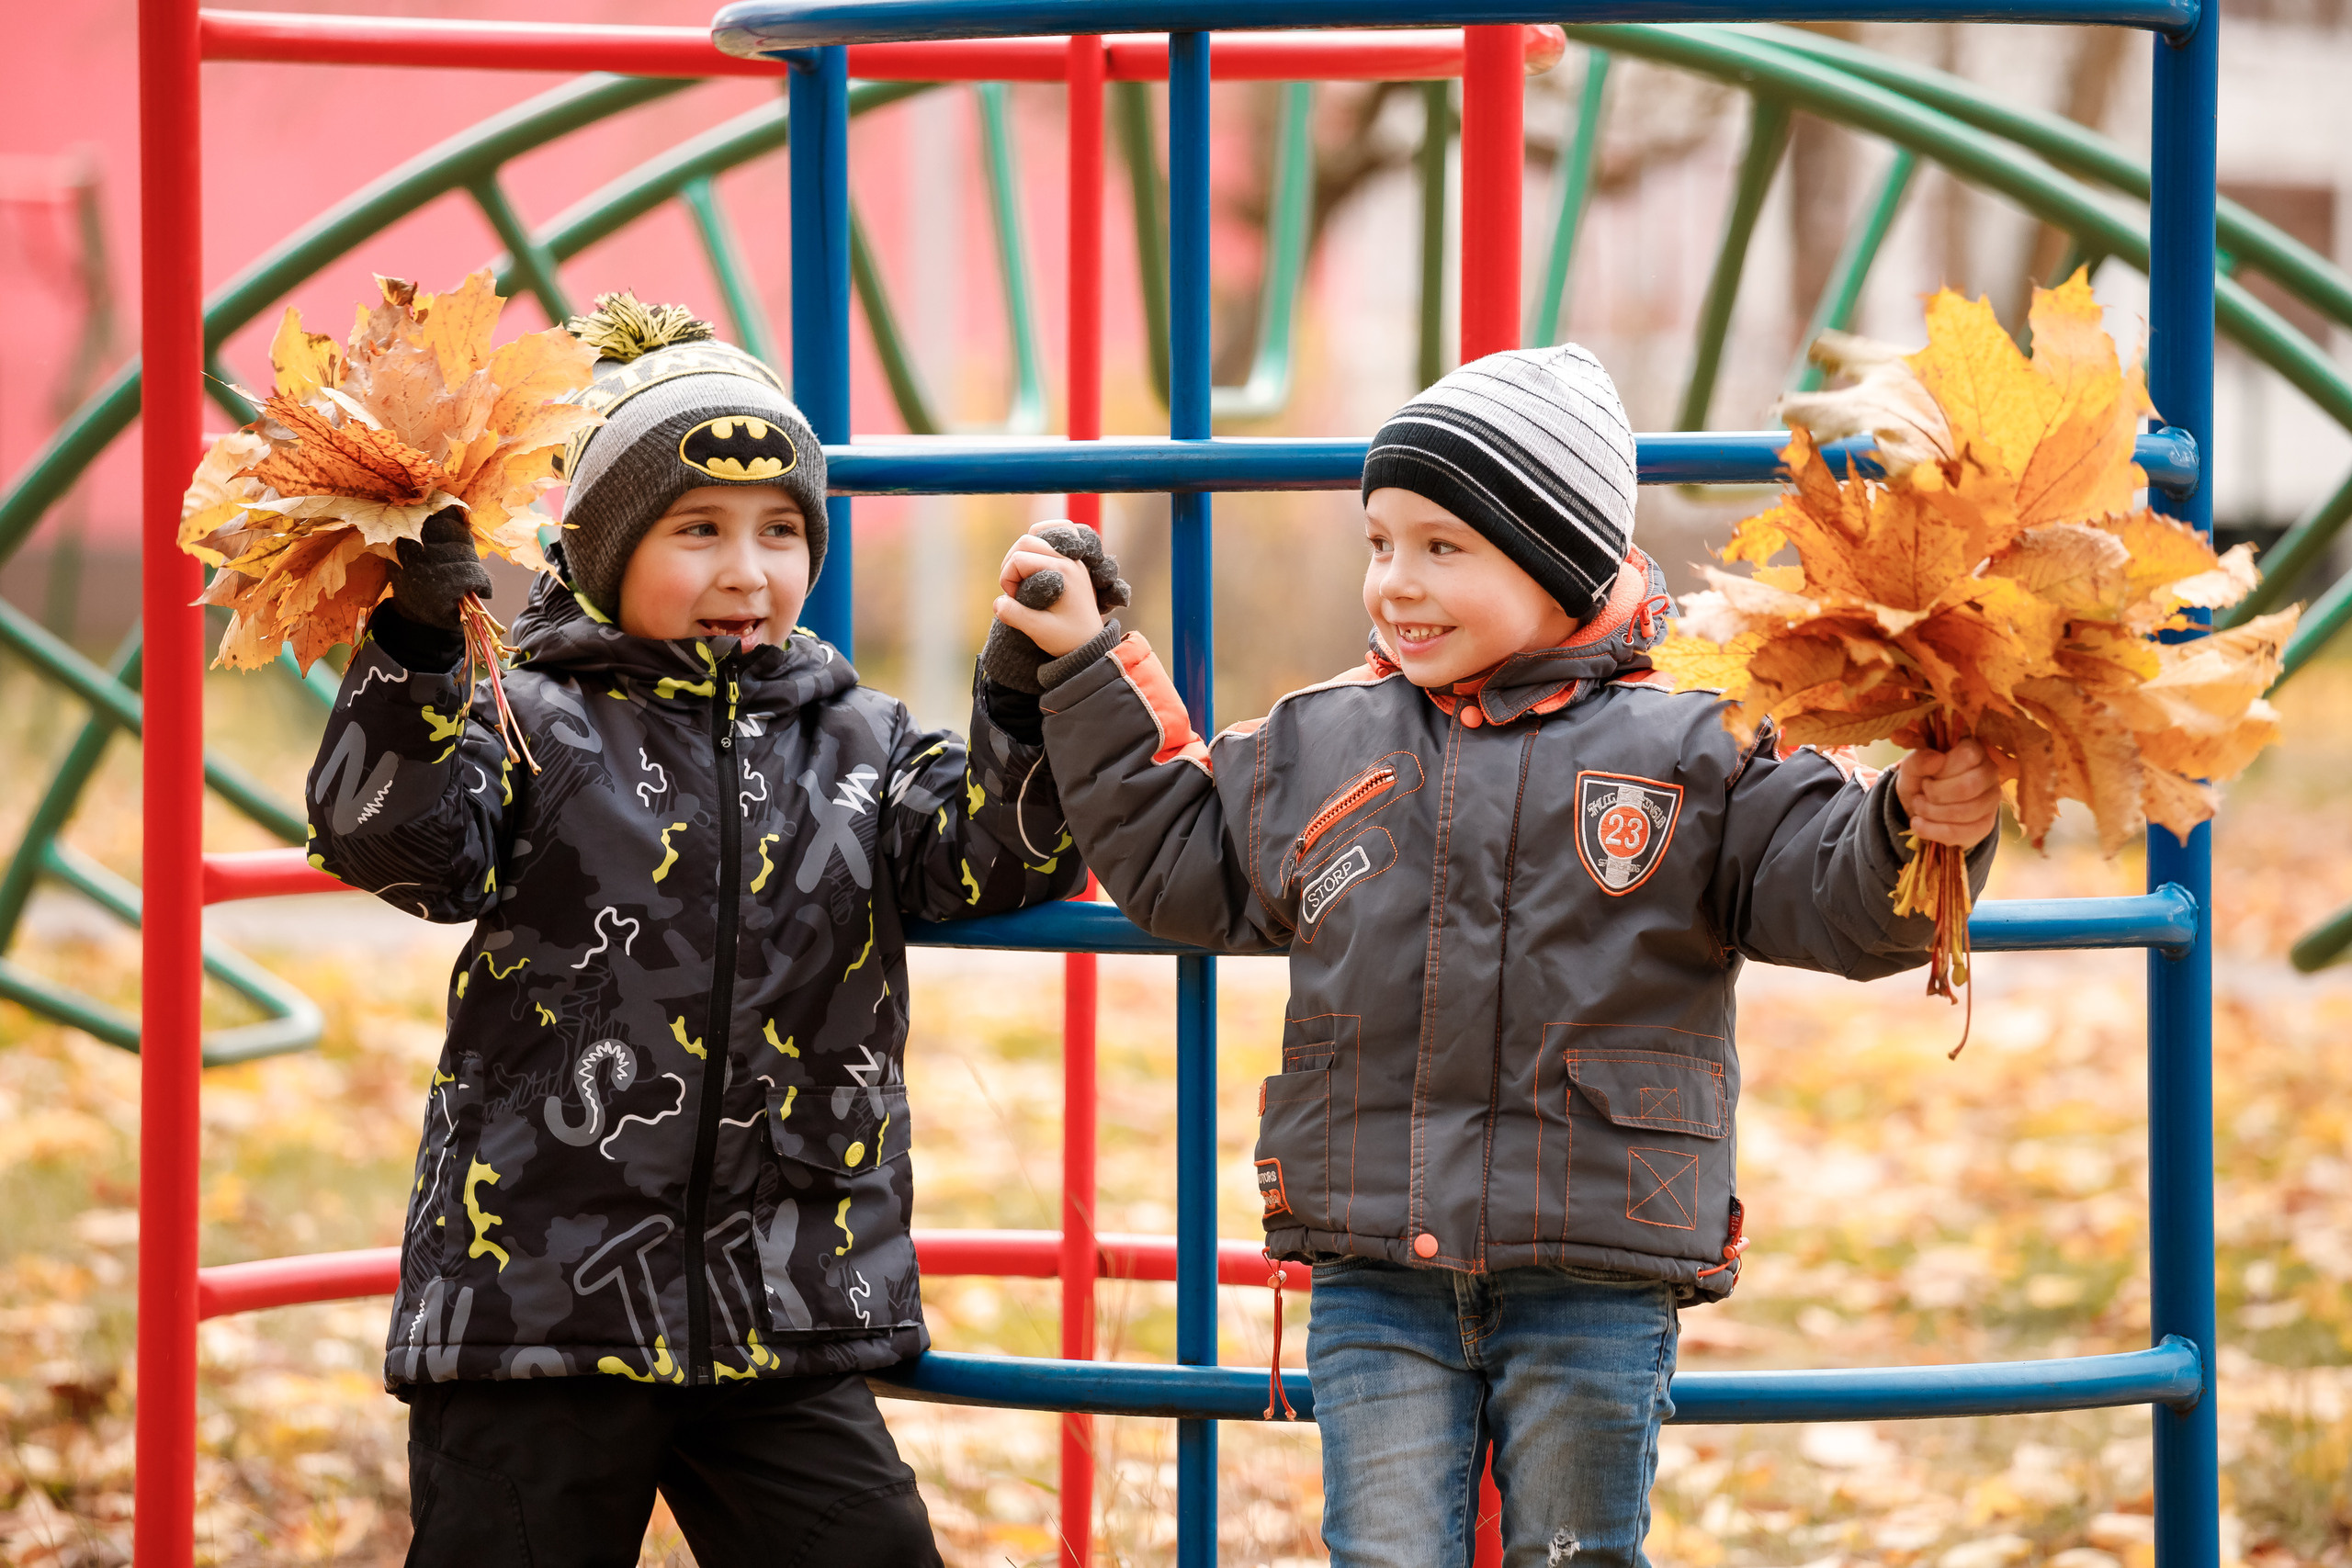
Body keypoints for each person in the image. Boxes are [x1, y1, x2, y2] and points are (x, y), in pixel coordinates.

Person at [985, 344, 2005, 1568]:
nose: (1395, 585)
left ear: (1559, 562)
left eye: (1442, 547)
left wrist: (1916, 827)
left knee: (1579, 1552)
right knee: (1385, 1554)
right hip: (1377, 1264)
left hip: (1596, 1264)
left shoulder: (1705, 740)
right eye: (1380, 544)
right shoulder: (1330, 739)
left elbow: (1834, 893)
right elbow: (1179, 857)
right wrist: (1087, 662)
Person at [309, 295, 1089, 1567]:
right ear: (601, 550)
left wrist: (1025, 688)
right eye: (699, 530)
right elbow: (392, 843)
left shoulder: (861, 741)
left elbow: (1005, 856)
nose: (748, 570)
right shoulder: (530, 719)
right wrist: (414, 651)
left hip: (779, 1307)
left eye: (782, 531)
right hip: (536, 1312)